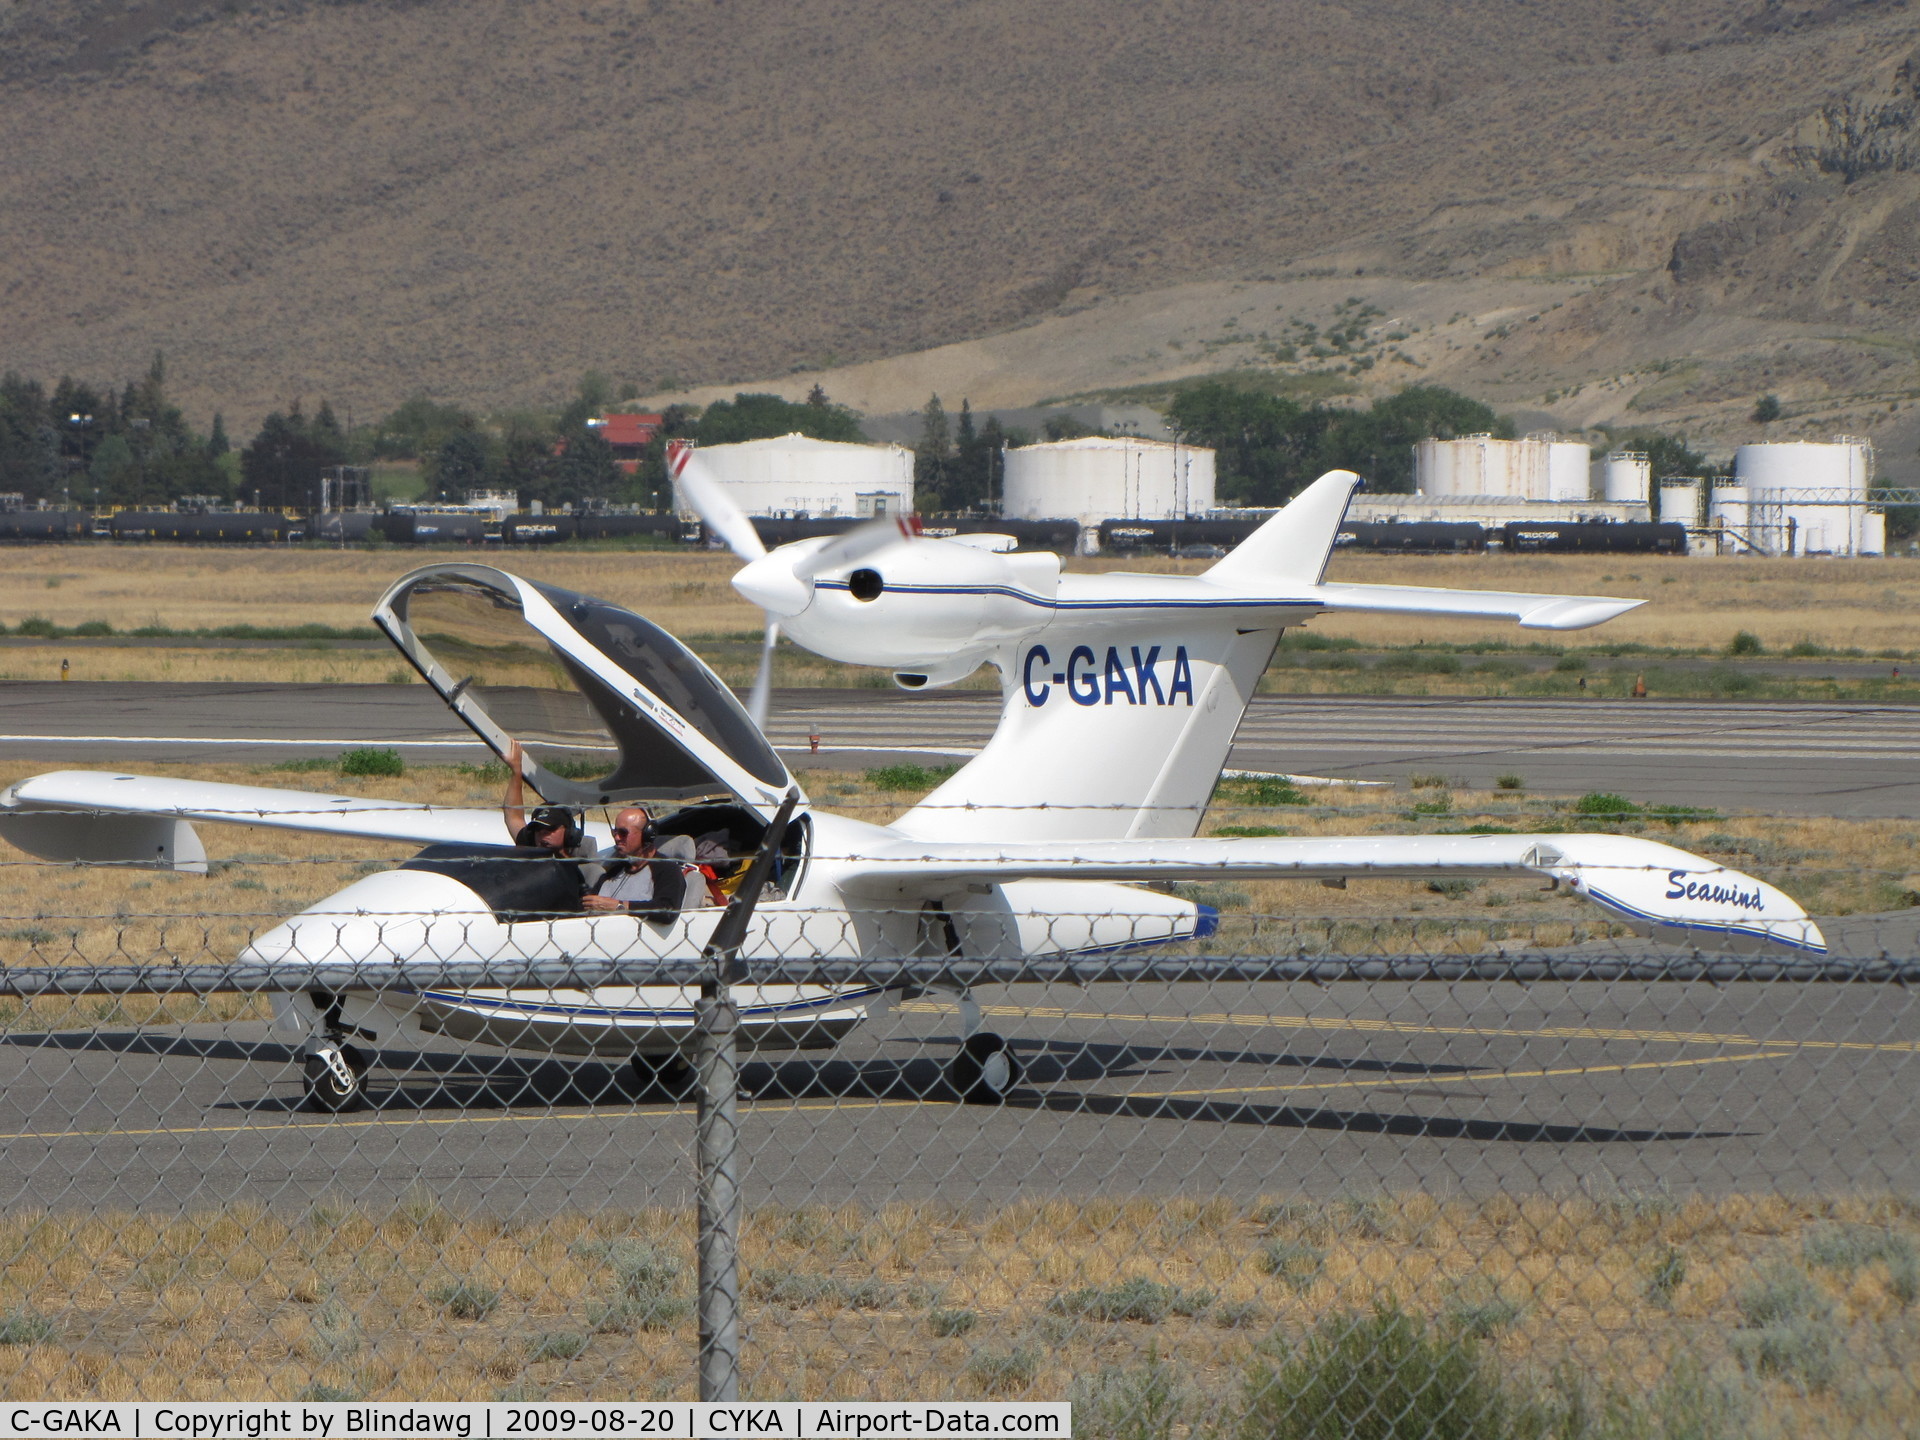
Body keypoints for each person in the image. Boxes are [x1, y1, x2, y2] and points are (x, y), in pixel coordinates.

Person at [584, 806, 687, 921]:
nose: (617, 838)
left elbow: (667, 910)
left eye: (623, 833)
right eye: (615, 832)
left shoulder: (667, 870)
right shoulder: (614, 872)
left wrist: (619, 906)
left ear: (647, 834)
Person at [501, 740, 587, 855]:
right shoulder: (532, 850)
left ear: (569, 834)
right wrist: (516, 769)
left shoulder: (580, 869)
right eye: (538, 830)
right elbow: (513, 816)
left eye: (551, 829)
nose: (543, 836)